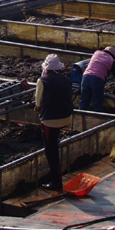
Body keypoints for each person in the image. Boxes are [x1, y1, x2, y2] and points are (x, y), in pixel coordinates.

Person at [33, 54, 73, 191]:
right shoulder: (67, 80)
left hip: (51, 121)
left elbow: (38, 103)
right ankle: (57, 139)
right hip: (67, 117)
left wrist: (38, 107)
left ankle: (56, 182)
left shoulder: (42, 80)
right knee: (55, 139)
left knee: (51, 151)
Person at [79, 46, 115, 112]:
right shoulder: (111, 60)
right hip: (97, 79)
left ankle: (80, 118)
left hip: (86, 77)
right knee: (97, 102)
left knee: (84, 101)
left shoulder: (96, 53)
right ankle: (97, 120)